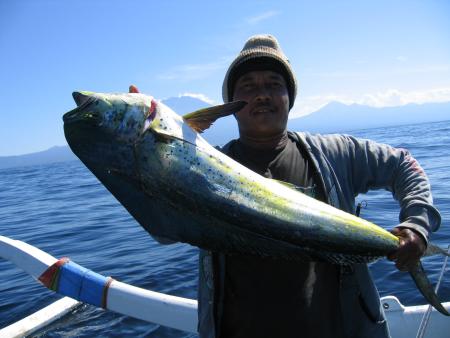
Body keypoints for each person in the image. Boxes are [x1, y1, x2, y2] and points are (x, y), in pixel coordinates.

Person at [197, 34, 441, 338]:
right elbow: (164, 226)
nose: (262, 95)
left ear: (289, 97)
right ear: (230, 105)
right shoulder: (203, 166)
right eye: (248, 86)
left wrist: (416, 225)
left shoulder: (336, 153)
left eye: (275, 84)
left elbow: (404, 165)